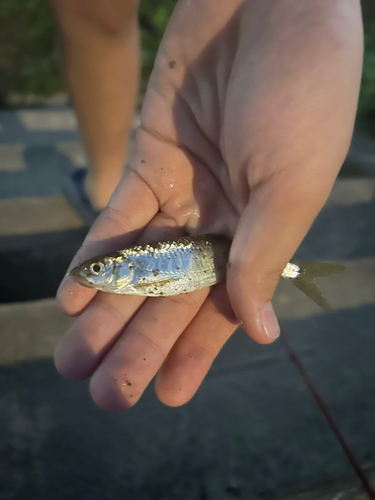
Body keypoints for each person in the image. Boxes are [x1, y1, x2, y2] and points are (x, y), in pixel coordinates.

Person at [52, 0, 363, 411]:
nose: (93, 273)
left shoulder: (131, 270)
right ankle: (102, 179)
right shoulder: (130, 272)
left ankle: (100, 182)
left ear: (117, 266)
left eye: (97, 268)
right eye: (95, 269)